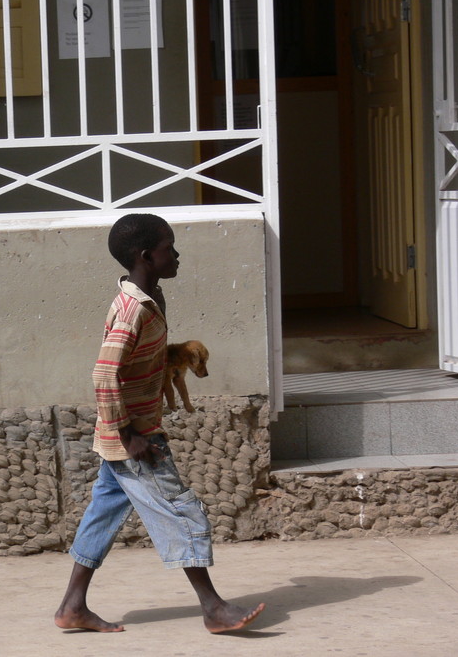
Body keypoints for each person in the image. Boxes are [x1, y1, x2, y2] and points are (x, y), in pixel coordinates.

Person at [54, 213, 265, 634]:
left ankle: (72, 607)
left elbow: (134, 361)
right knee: (182, 512)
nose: (178, 254)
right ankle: (213, 608)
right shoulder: (133, 309)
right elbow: (103, 373)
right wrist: (129, 434)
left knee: (102, 515)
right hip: (135, 437)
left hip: (125, 434)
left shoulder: (151, 299)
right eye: (170, 247)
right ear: (147, 256)